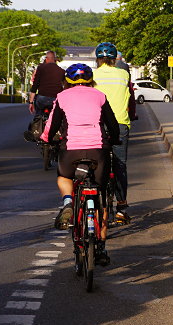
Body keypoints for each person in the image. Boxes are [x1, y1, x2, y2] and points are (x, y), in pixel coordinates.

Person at [40, 64, 120, 264]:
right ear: (91, 79)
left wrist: (46, 139)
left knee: (64, 177)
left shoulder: (62, 97)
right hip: (98, 150)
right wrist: (115, 138)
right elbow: (112, 124)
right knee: (100, 196)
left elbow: (53, 125)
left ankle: (68, 202)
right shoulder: (99, 96)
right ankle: (100, 246)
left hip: (71, 150)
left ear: (67, 81)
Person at [94, 42, 132, 224]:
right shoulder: (123, 74)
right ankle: (122, 208)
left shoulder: (91, 75)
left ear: (98, 59)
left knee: (95, 162)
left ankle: (92, 202)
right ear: (114, 60)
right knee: (120, 165)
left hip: (97, 124)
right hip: (120, 123)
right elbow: (128, 96)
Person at [28, 51, 64, 115]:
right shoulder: (61, 71)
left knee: (39, 114)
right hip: (56, 99)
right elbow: (65, 87)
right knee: (57, 116)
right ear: (55, 60)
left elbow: (35, 86)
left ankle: (38, 120)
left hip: (42, 98)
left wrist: (31, 102)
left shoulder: (40, 68)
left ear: (46, 59)